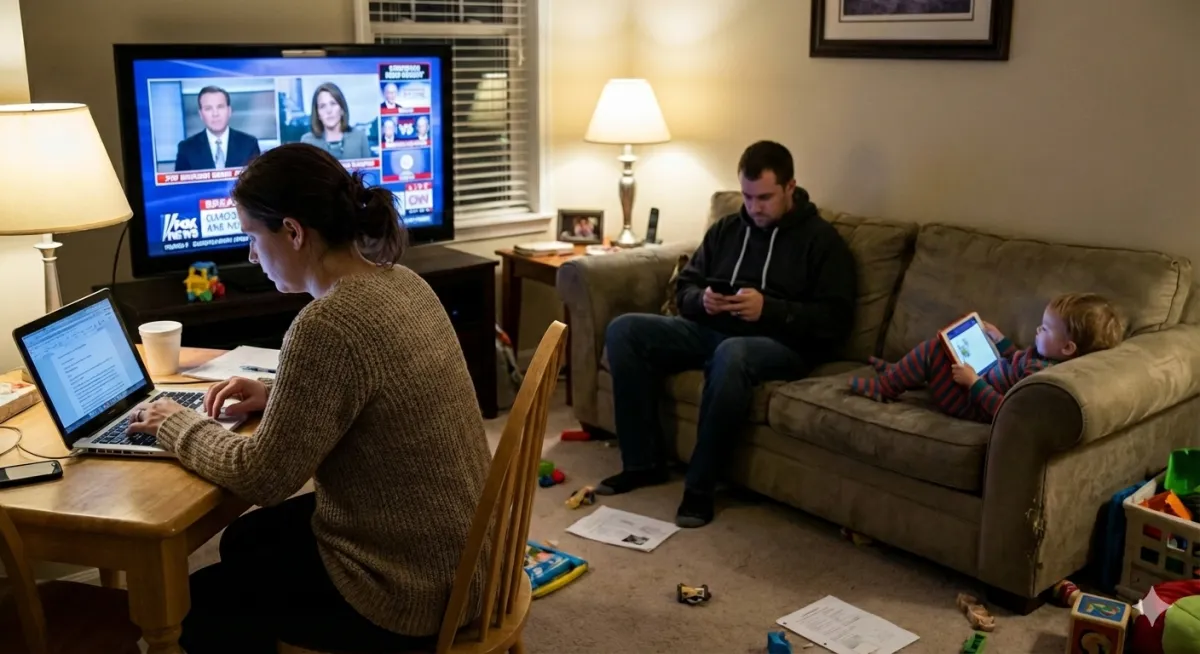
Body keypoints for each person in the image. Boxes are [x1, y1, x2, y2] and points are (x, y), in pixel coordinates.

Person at [128, 142, 491, 652]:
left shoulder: (328, 323)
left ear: (294, 231)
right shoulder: (402, 282)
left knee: (198, 604)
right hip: (466, 561)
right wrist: (276, 391)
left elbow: (264, 477)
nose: (251, 255)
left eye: (254, 236)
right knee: (243, 541)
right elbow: (378, 387)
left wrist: (175, 422)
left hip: (409, 594)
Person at [595, 140, 858, 528]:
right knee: (625, 330)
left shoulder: (821, 242)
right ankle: (642, 463)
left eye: (765, 198)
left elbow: (834, 321)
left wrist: (770, 309)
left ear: (791, 187)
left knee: (732, 353)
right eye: (748, 197)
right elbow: (684, 288)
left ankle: (700, 490)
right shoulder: (728, 230)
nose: (754, 208)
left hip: (782, 346)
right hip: (710, 330)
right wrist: (702, 300)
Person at [848, 293, 1125, 421]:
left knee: (934, 350)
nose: (1038, 331)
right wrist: (1001, 340)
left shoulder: (1041, 376)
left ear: (1068, 348)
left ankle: (885, 387)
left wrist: (973, 383)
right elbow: (1016, 360)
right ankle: (901, 371)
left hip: (971, 403)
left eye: (1046, 328)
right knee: (944, 352)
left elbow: (1005, 407)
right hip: (984, 375)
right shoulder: (1044, 359)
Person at [174, 85, 261, 171]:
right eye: (208, 108)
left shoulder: (249, 144)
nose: (215, 114)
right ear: (200, 114)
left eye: (220, 107)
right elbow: (180, 185)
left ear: (229, 111)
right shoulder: (186, 149)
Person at [301, 82, 372, 160]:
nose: (329, 110)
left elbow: (369, 171)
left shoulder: (359, 137)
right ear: (318, 114)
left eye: (333, 103)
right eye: (322, 106)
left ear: (342, 109)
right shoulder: (308, 142)